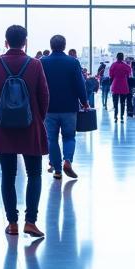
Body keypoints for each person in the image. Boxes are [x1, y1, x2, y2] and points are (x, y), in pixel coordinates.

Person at [0, 24, 49, 237]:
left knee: (8, 175)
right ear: (25, 42)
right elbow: (44, 96)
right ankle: (31, 221)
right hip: (30, 127)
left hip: (3, 128)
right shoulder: (35, 65)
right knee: (34, 173)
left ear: (5, 42)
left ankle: (12, 223)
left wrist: (4, 109)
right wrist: (36, 116)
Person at [42, 34, 87, 180]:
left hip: (49, 108)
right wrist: (84, 101)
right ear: (64, 46)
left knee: (52, 139)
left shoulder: (43, 62)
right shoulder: (73, 62)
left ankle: (57, 170)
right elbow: (80, 84)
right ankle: (67, 160)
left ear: (51, 46)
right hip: (69, 107)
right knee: (69, 137)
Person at [108, 52, 131, 123]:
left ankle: (115, 116)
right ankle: (121, 116)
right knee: (123, 102)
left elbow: (111, 76)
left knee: (115, 102)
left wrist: (110, 84)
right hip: (124, 85)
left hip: (115, 85)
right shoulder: (126, 66)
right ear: (123, 57)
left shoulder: (113, 65)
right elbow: (129, 75)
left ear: (117, 57)